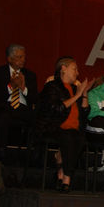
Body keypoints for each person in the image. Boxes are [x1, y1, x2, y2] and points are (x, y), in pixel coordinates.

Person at [36, 56, 93, 192]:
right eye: (74, 69)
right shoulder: (52, 86)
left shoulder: (75, 88)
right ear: (63, 69)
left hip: (74, 128)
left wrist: (84, 93)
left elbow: (85, 112)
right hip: (54, 125)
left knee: (79, 137)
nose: (77, 73)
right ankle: (67, 179)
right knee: (69, 137)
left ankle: (61, 167)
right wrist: (76, 96)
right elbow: (56, 109)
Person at [0, 44, 38, 151]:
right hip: (5, 106)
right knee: (3, 117)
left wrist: (23, 89)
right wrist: (11, 86)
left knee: (37, 119)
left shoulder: (30, 75)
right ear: (10, 59)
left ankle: (32, 153)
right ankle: (1, 150)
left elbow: (35, 98)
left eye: (24, 57)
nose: (23, 60)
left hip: (23, 108)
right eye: (19, 57)